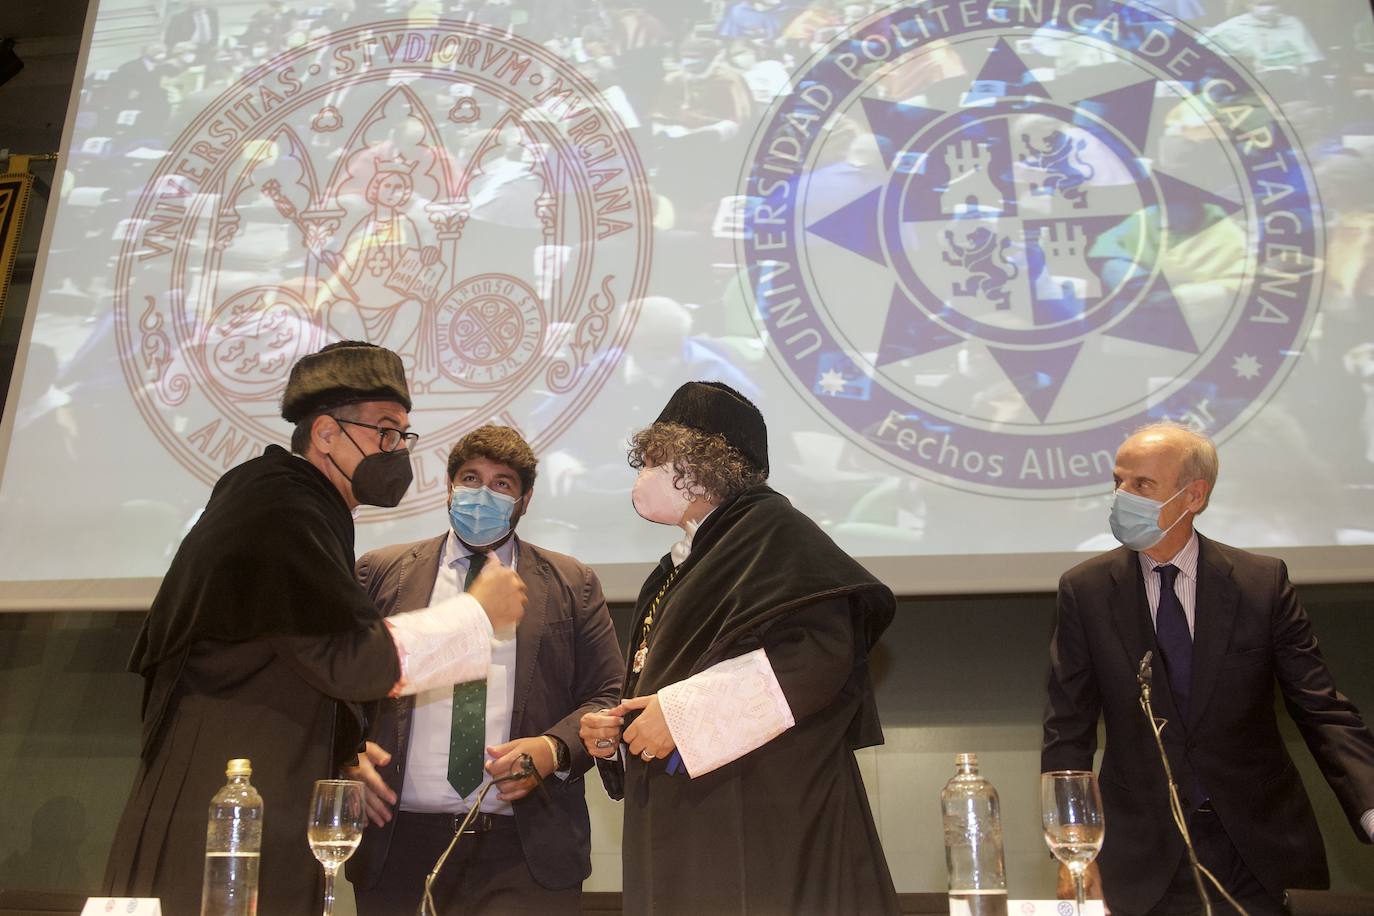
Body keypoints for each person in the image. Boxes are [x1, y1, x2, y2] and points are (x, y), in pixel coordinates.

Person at [102, 341, 527, 915]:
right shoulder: (282, 503)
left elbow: (290, 651)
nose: (396, 450)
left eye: (402, 434)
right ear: (326, 433)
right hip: (229, 797)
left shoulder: (293, 503)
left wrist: (343, 750)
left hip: (253, 774)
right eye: (383, 430)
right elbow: (350, 657)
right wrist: (478, 613)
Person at [579, 380, 900, 915]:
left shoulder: (775, 532)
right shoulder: (680, 565)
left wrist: (679, 716)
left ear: (706, 462)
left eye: (657, 458)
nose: (643, 474)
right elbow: (664, 680)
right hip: (696, 819)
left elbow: (817, 655)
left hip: (762, 823)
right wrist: (619, 729)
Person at [1041, 421, 1374, 916]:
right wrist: (1073, 851)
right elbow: (1067, 730)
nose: (1122, 496)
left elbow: (1323, 711)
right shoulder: (1086, 590)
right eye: (1118, 482)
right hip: (1141, 859)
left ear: (1193, 496)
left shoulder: (1260, 583)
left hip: (1260, 853)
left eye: (1142, 485)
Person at [345, 425, 624, 915]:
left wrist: (553, 748)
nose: (482, 494)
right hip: (398, 844)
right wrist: (345, 757)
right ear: (448, 488)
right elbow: (339, 682)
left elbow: (606, 694)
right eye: (470, 479)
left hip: (526, 850)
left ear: (525, 499)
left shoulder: (571, 582)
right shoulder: (381, 572)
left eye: (501, 484)